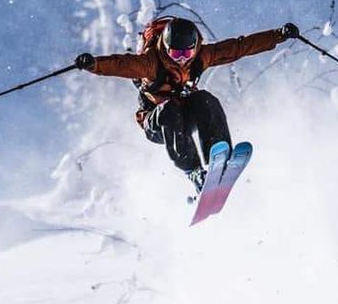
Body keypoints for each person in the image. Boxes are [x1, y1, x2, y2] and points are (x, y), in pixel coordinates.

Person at [75, 17, 299, 190]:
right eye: (175, 52)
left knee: (205, 100)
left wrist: (278, 35)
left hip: (186, 114)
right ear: (165, 46)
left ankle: (218, 157)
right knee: (169, 109)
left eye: (187, 52)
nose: (181, 58)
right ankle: (193, 171)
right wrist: (94, 64)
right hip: (158, 122)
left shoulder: (202, 55)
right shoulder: (151, 63)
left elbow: (240, 47)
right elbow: (120, 64)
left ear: (196, 46)